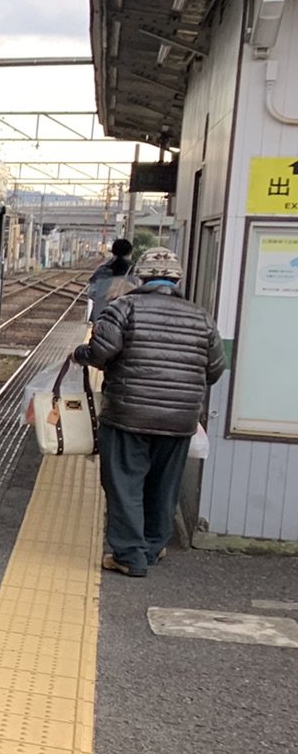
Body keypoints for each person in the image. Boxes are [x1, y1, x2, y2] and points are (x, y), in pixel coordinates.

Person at [71, 246, 224, 577]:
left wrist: (79, 353)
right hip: (179, 420)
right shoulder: (201, 317)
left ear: (140, 277)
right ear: (177, 279)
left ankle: (129, 556)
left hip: (129, 415)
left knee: (124, 483)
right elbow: (214, 370)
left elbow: (101, 352)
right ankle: (153, 547)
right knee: (164, 485)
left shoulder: (123, 308)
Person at [84, 237, 134, 319]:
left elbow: (92, 293)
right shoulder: (135, 271)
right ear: (130, 252)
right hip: (127, 317)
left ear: (113, 251)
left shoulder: (102, 270)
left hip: (102, 315)